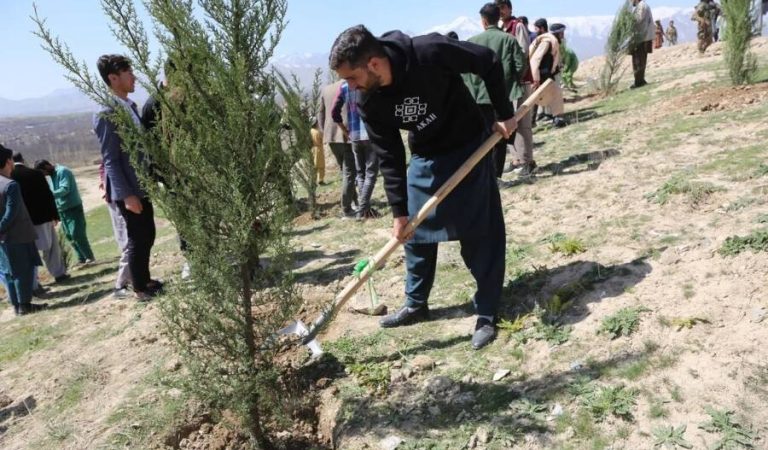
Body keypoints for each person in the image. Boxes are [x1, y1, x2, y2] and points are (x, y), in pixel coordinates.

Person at [329, 25, 518, 350]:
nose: (350, 87)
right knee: (413, 234)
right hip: (426, 155)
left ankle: (486, 311)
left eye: (351, 77)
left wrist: (504, 115)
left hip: (468, 143)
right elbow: (389, 156)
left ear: (373, 63)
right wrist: (399, 213)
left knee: (479, 232)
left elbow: (487, 60)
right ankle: (416, 304)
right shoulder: (368, 101)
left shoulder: (429, 52)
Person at [94, 54, 160, 301]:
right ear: (113, 78)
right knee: (138, 237)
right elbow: (110, 159)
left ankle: (145, 279)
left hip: (140, 185)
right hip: (129, 190)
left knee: (148, 234)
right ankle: (141, 289)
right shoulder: (107, 112)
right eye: (128, 73)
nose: (133, 77)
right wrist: (127, 194)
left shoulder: (128, 106)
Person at [464, 3, 525, 180]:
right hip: (502, 97)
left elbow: (465, 73)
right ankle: (496, 177)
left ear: (483, 21)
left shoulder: (471, 42)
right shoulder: (509, 39)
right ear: (499, 18)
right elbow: (520, 65)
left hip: (478, 98)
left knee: (481, 137)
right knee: (500, 137)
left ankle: (482, 176)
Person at [11, 152, 69, 296]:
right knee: (51, 248)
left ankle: (34, 284)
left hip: (24, 221)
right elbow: (48, 196)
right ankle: (59, 273)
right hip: (43, 217)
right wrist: (54, 215)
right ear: (23, 160)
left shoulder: (9, 177)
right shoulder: (36, 174)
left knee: (30, 253)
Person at [0, 145, 46, 316]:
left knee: (9, 273)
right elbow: (11, 212)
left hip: (3, 239)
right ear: (8, 162)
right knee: (22, 271)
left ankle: (17, 306)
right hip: (17, 235)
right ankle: (25, 305)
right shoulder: (10, 185)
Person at [496, 0, 536, 175]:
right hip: (508, 83)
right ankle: (516, 159)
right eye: (498, 8)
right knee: (510, 122)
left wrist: (517, 76)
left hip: (520, 82)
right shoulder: (500, 28)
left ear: (509, 8)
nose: (501, 11)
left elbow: (523, 53)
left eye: (503, 7)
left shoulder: (517, 26)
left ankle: (528, 161)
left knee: (523, 123)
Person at [332, 81, 380, 220]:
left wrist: (345, 130)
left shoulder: (345, 87)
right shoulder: (368, 82)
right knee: (370, 173)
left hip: (355, 136)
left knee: (361, 174)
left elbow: (334, 112)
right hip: (370, 134)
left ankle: (365, 209)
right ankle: (361, 209)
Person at [34, 159, 95, 266]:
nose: (45, 175)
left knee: (77, 233)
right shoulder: (51, 176)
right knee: (69, 235)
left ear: (47, 166)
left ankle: (89, 257)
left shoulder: (63, 171)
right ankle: (81, 258)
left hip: (73, 207)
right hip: (62, 209)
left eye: (44, 173)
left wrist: (48, 196)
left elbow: (64, 189)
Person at [318, 81, 358, 219]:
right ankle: (347, 209)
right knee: (349, 172)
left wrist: (325, 133)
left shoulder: (326, 89)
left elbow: (320, 114)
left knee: (346, 171)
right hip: (346, 134)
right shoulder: (349, 85)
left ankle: (355, 202)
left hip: (331, 137)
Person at [530, 23, 568, 128]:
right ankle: (531, 122)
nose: (563, 35)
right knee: (536, 99)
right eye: (562, 33)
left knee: (554, 95)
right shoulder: (547, 42)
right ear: (558, 33)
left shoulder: (552, 42)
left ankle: (557, 119)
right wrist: (536, 78)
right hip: (541, 75)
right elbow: (535, 60)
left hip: (545, 74)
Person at [630, 0, 655, 88]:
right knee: (641, 59)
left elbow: (638, 19)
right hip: (642, 37)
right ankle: (640, 80)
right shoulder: (642, 6)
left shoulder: (641, 6)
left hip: (641, 37)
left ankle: (638, 82)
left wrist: (628, 19)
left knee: (638, 60)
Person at [310, 118, 326, 185]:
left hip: (312, 149)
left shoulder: (310, 131)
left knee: (314, 166)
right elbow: (322, 139)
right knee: (321, 166)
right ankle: (320, 180)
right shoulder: (318, 132)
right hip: (319, 149)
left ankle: (313, 181)